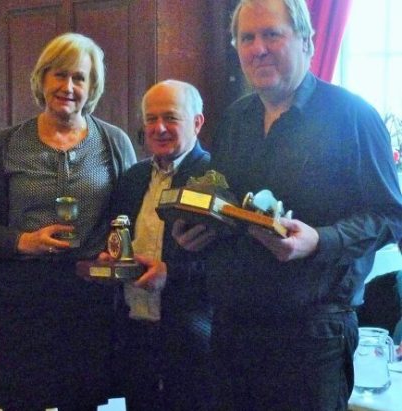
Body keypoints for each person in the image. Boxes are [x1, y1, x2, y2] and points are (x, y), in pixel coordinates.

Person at [170, 0, 402, 409]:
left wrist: (321, 240)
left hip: (312, 337)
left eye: (271, 34)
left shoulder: (353, 116)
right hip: (231, 330)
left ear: (307, 41)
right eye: (247, 38)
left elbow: (391, 216)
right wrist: (197, 229)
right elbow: (225, 203)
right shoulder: (234, 120)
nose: (258, 48)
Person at [0, 32, 136, 411]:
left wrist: (114, 252)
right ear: (42, 79)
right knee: (25, 402)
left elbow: (131, 219)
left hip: (90, 298)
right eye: (59, 74)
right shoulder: (9, 143)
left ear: (92, 87)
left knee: (83, 402)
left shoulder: (114, 142)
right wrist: (24, 241)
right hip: (24, 297)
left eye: (79, 77)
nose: (68, 87)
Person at [108, 80, 213, 410]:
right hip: (135, 331)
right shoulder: (133, 178)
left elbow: (235, 262)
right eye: (151, 119)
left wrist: (172, 273)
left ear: (197, 122)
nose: (160, 128)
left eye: (170, 117)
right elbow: (117, 238)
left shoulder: (216, 179)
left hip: (192, 336)